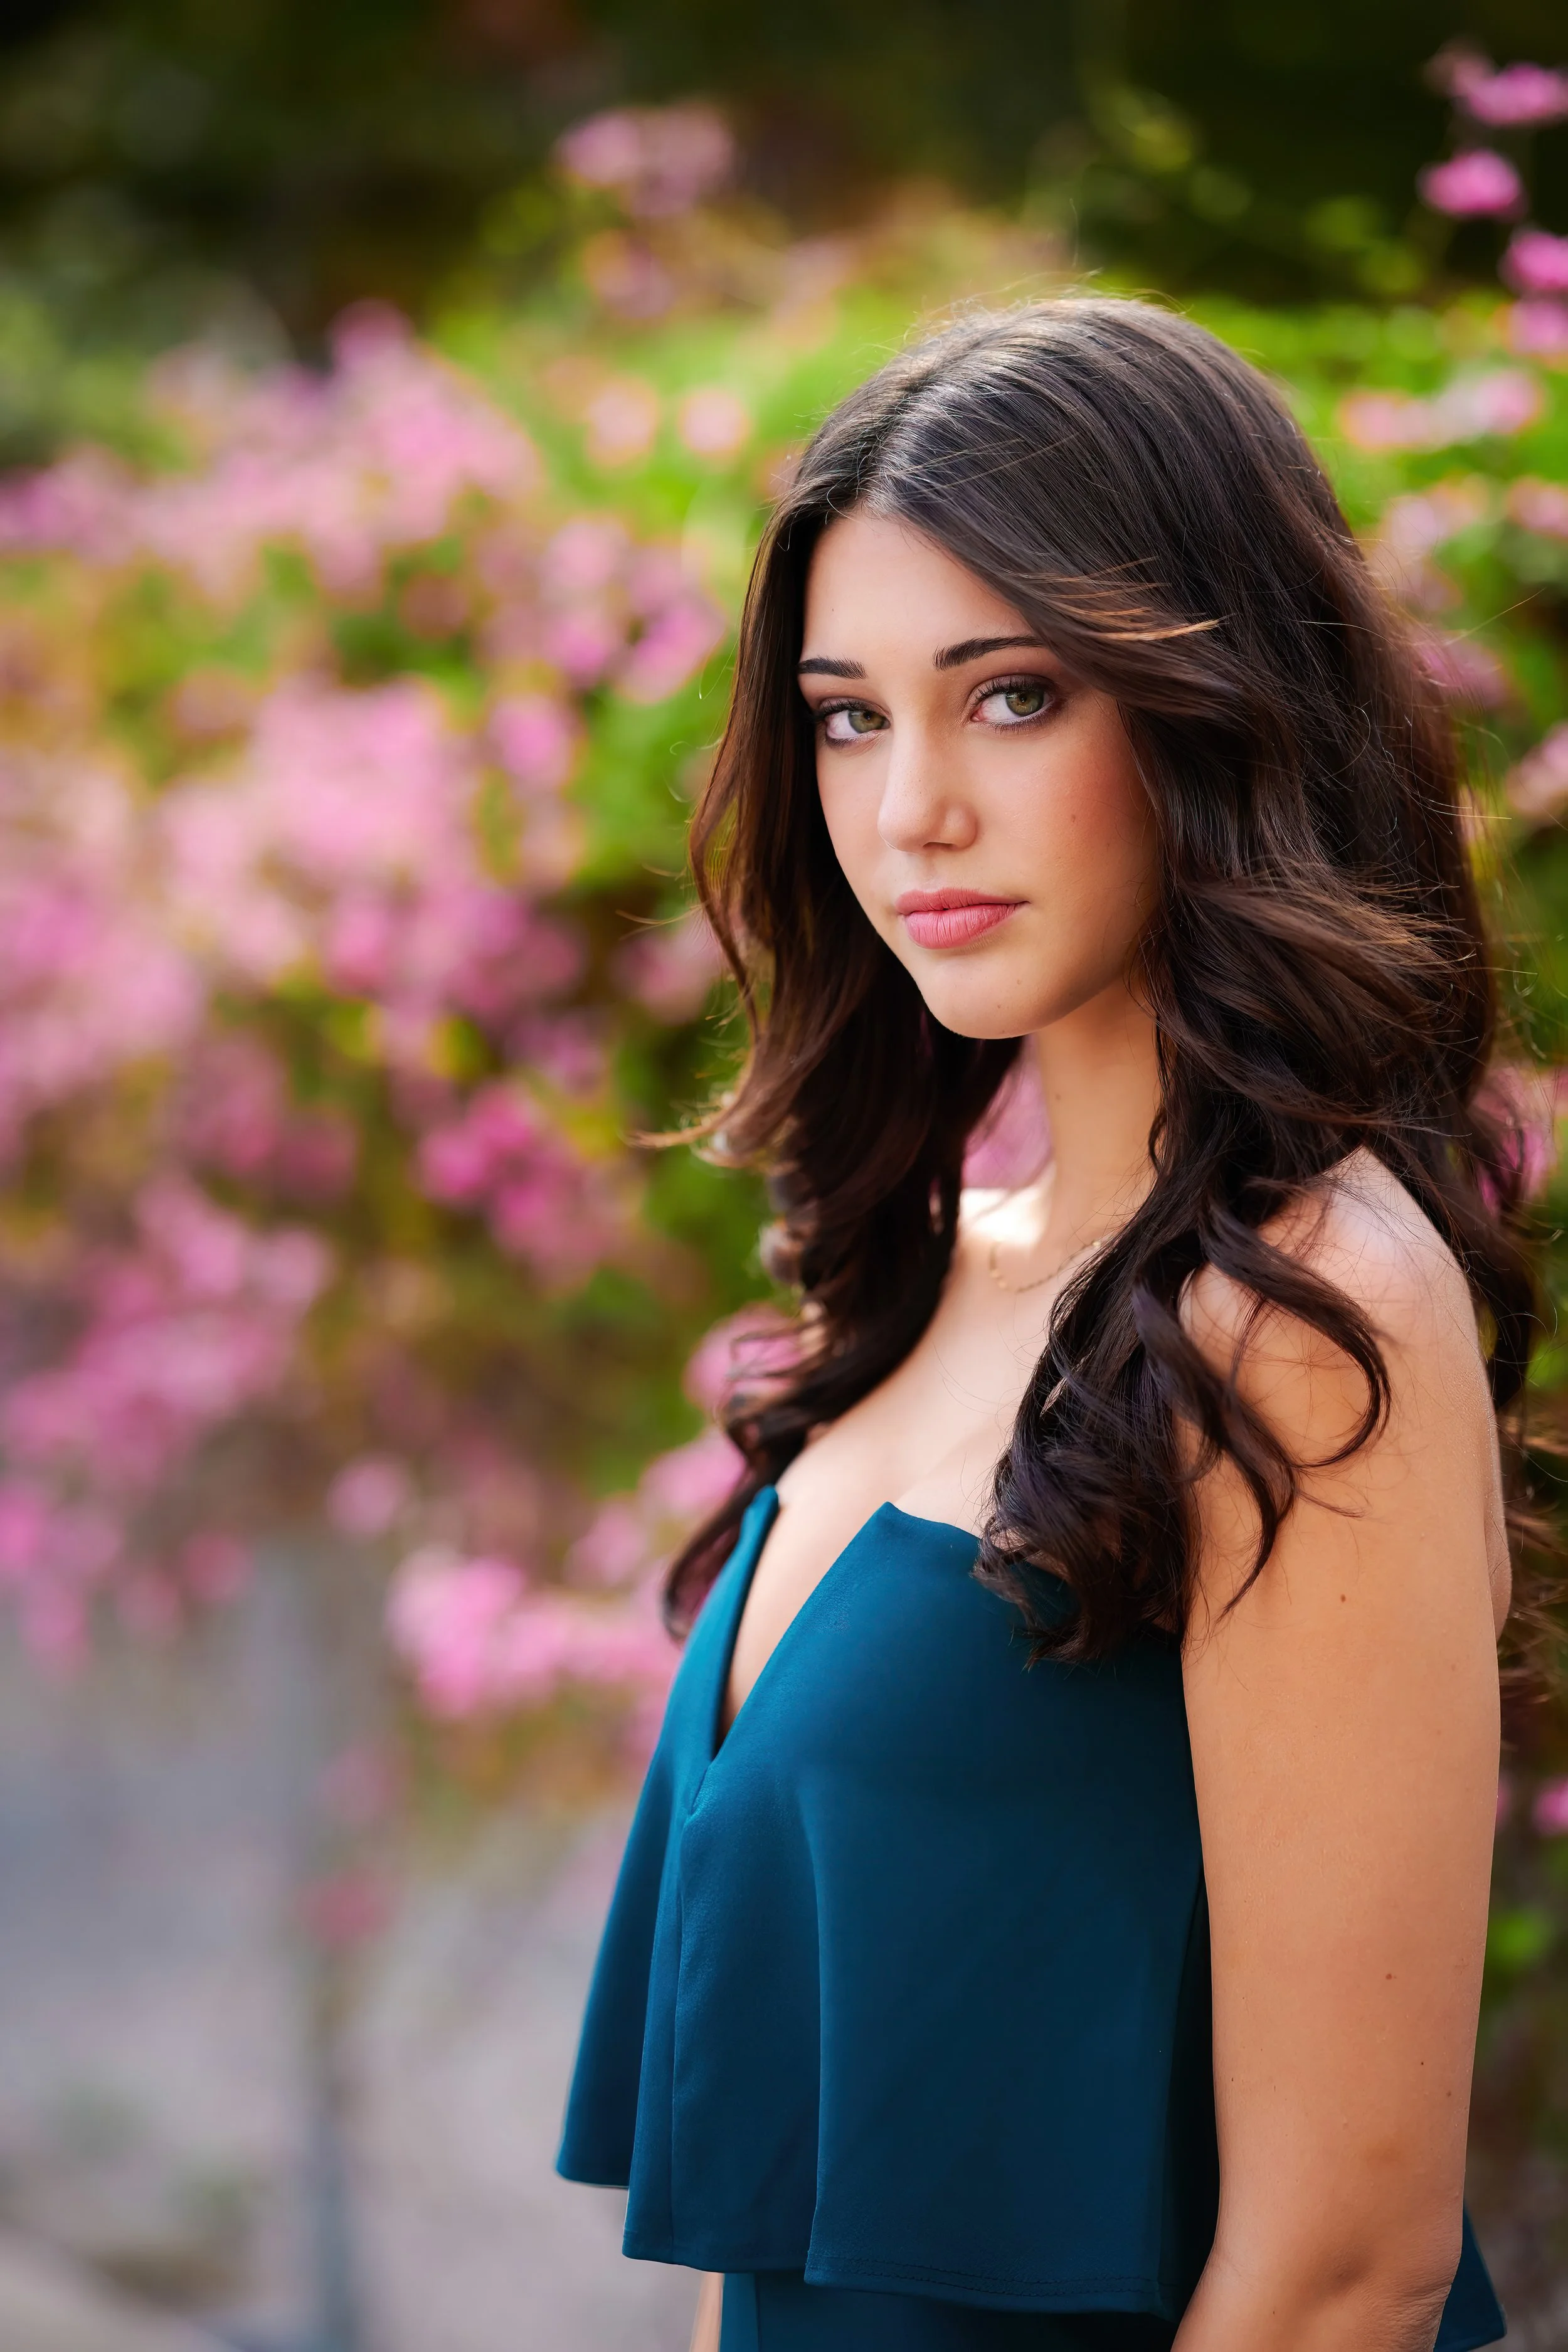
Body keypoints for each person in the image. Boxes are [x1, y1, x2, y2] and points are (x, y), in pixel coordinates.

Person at [556, 299, 1536, 2351]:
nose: (909, 806)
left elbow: (1342, 2269)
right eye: (846, 713)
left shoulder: (1303, 1313)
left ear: (1211, 704)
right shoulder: (941, 1256)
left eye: (1009, 698)